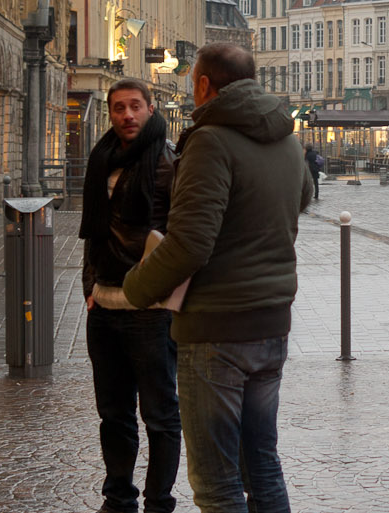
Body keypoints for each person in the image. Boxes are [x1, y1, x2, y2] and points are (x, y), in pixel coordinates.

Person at [122, 43, 312, 513]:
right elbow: (303, 196)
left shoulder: (210, 140)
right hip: (271, 323)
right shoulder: (286, 137)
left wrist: (135, 289)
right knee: (262, 465)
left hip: (217, 330)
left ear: (205, 85)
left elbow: (190, 243)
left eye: (193, 85)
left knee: (217, 480)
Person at [80, 79, 181, 513]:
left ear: (151, 107)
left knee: (159, 415)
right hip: (104, 305)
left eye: (135, 106)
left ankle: (159, 502)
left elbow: (180, 234)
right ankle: (119, 498)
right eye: (119, 108)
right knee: (113, 413)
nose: (127, 116)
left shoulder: (167, 161)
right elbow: (94, 231)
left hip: (150, 311)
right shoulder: (101, 157)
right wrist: (90, 285)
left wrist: (162, 292)